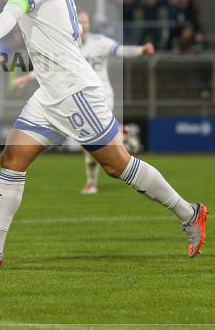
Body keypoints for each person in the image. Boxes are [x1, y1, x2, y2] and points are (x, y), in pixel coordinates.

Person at [0, 0, 207, 267]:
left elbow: (15, 8)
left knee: (117, 165)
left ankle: (190, 213)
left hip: (73, 91)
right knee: (12, 158)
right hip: (51, 92)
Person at [12, 10, 155, 194]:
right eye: (80, 21)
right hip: (78, 97)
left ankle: (91, 182)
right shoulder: (67, 44)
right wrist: (28, 77)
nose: (83, 25)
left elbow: (120, 50)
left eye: (86, 22)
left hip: (101, 96)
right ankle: (122, 136)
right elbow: (52, 67)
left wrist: (141, 50)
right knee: (91, 144)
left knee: (91, 144)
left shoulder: (100, 42)